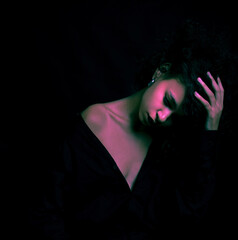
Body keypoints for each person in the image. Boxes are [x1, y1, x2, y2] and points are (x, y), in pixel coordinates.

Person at [28, 20, 231, 239]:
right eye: (168, 101)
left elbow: (189, 215)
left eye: (175, 117)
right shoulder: (94, 123)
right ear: (162, 71)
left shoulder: (166, 148)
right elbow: (46, 213)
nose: (162, 116)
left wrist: (210, 130)